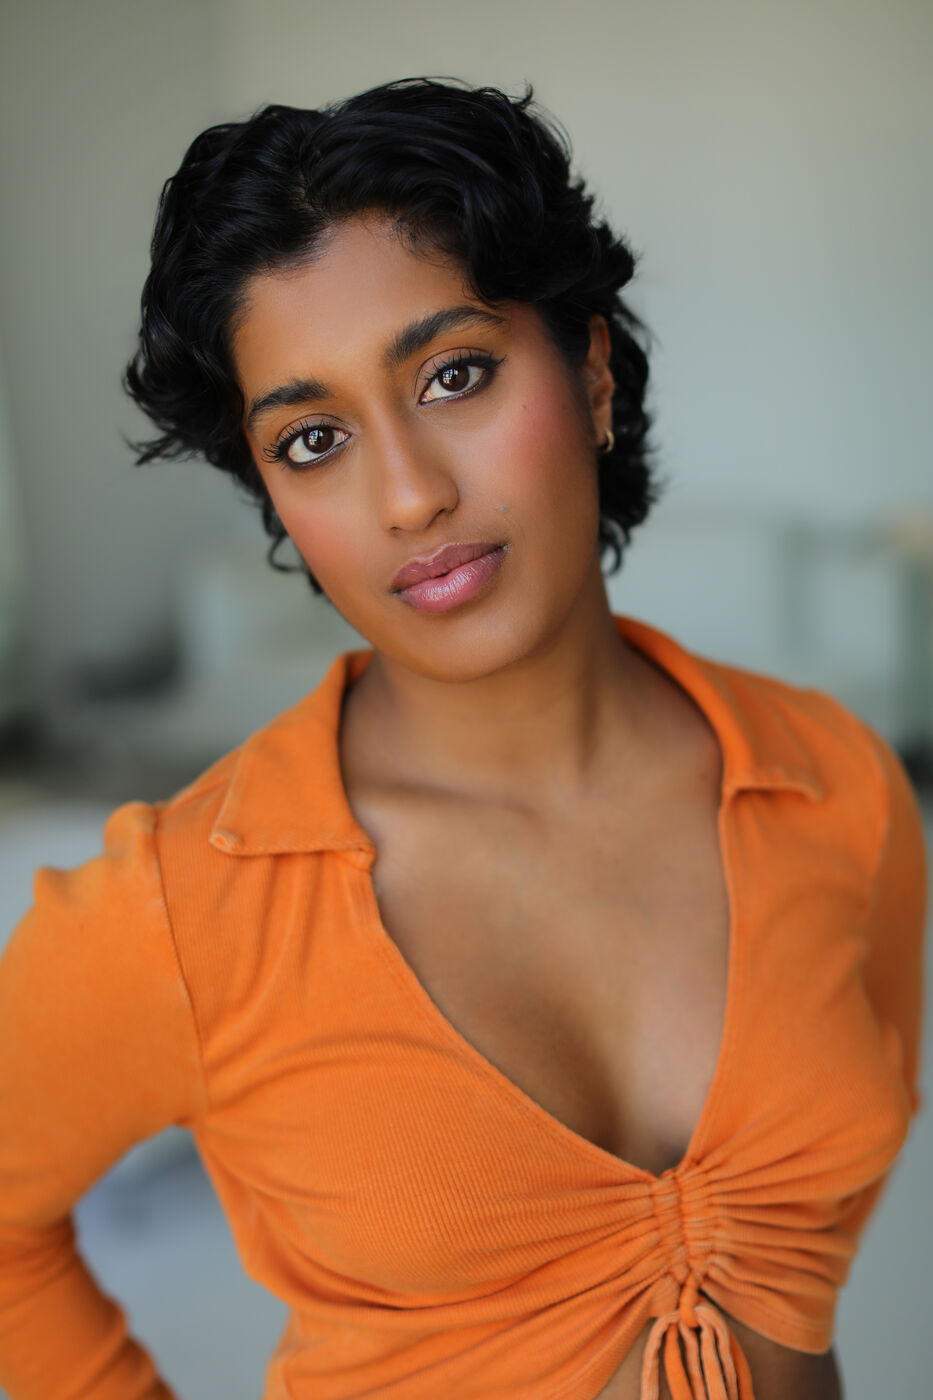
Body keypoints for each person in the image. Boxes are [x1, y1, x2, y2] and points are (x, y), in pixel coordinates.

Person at [0, 76, 926, 1400]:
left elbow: (834, 1180)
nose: (409, 494)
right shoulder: (178, 909)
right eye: (312, 438)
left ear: (591, 373)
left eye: (455, 374)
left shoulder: (833, 777)